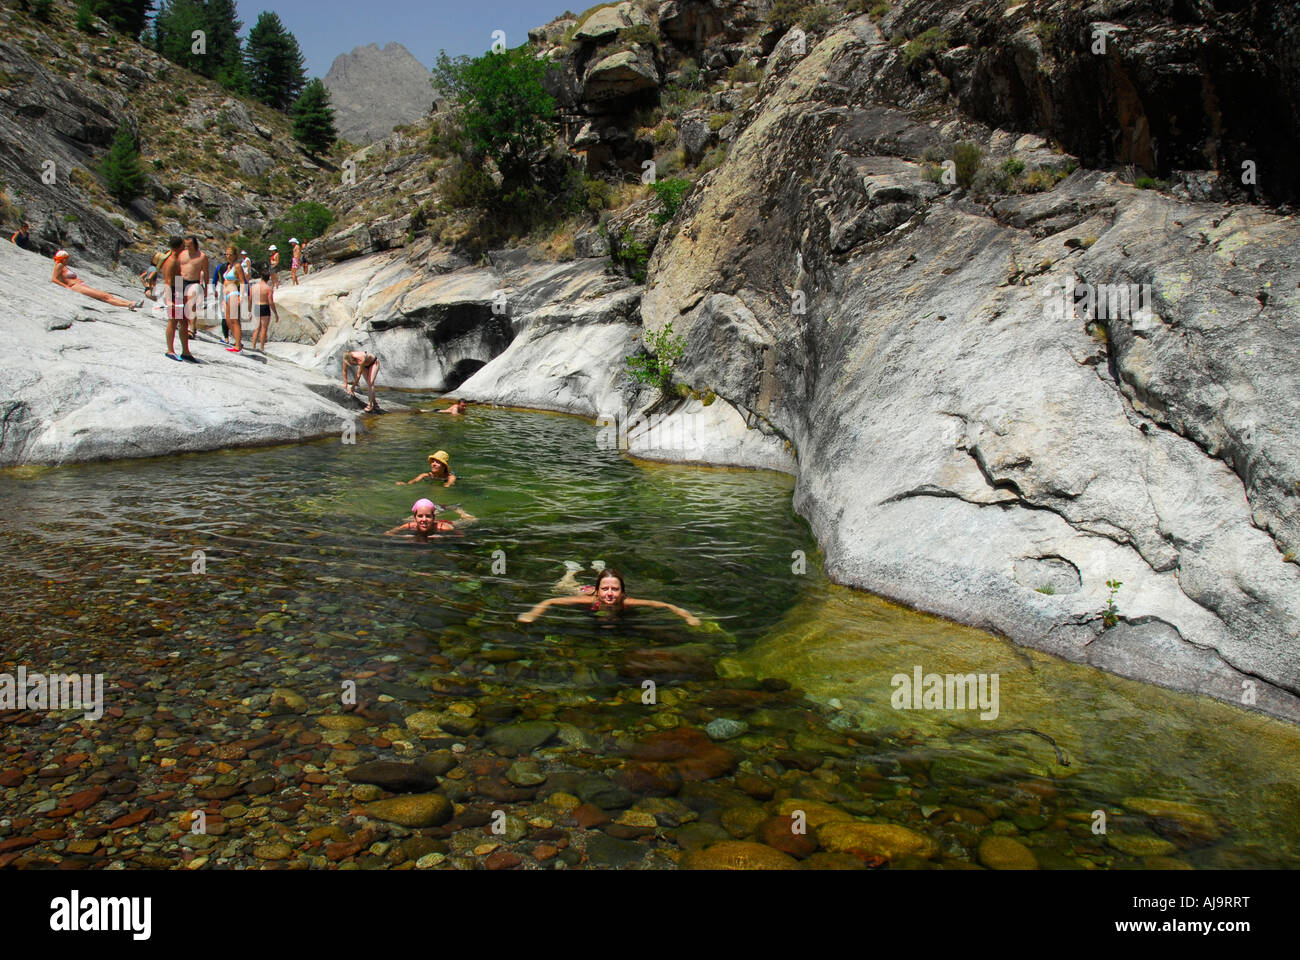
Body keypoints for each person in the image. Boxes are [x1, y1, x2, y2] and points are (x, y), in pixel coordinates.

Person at [517, 568, 701, 625]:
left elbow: (664, 605)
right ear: (599, 591)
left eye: (615, 589)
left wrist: (688, 616)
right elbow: (550, 600)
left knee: (606, 579)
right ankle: (570, 571)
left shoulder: (627, 601)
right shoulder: (589, 598)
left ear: (622, 592)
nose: (610, 594)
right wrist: (532, 614)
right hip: (584, 590)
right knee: (561, 587)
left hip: (596, 588)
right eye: (606, 590)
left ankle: (600, 570)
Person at [51, 249, 143, 310]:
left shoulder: (63, 266)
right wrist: (66, 287)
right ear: (63, 259)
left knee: (107, 295)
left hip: (80, 285)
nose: (68, 260)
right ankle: (129, 305)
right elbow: (54, 279)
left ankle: (131, 303)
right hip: (75, 286)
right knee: (105, 296)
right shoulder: (59, 265)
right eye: (66, 258)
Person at [158, 237, 197, 361]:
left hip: (179, 290)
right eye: (184, 246)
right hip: (173, 292)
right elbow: (168, 282)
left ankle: (186, 351)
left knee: (184, 323)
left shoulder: (175, 258)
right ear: (180, 246)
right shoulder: (171, 261)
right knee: (173, 321)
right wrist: (169, 301)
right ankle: (170, 350)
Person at [384, 498, 477, 540]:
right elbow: (387, 534)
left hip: (448, 523)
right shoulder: (409, 525)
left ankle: (458, 509)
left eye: (428, 516)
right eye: (420, 516)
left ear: (433, 518)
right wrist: (406, 537)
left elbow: (462, 535)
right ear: (414, 518)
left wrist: (443, 537)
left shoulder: (444, 528)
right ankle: (438, 508)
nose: (424, 519)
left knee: (472, 520)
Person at [178, 235, 209, 338]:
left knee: (191, 306)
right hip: (180, 280)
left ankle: (191, 329)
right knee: (179, 305)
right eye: (186, 245)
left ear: (195, 244)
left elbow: (206, 272)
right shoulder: (182, 254)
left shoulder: (202, 256)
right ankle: (181, 325)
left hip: (193, 282)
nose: (188, 247)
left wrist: (206, 288)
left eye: (190, 245)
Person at [220, 243, 246, 353]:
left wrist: (242, 296)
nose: (228, 256)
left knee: (234, 320)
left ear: (235, 255)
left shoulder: (237, 266)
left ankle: (237, 346)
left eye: (230, 254)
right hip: (226, 295)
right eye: (226, 254)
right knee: (228, 320)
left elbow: (243, 282)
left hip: (233, 293)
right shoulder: (228, 266)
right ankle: (237, 342)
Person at [342, 348, 381, 412]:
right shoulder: (345, 358)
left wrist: (352, 388)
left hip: (374, 363)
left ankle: (370, 405)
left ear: (351, 358)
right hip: (365, 366)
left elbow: (358, 375)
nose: (349, 363)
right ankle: (375, 404)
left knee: (370, 382)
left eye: (350, 362)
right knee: (369, 384)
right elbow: (344, 371)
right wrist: (345, 384)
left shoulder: (361, 357)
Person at [247, 274, 277, 352]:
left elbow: (249, 300)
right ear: (268, 279)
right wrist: (275, 313)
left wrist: (249, 311)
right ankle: (262, 348)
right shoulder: (268, 288)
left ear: (261, 277)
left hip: (256, 306)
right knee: (264, 328)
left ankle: (253, 346)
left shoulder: (253, 287)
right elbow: (270, 301)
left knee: (256, 328)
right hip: (265, 307)